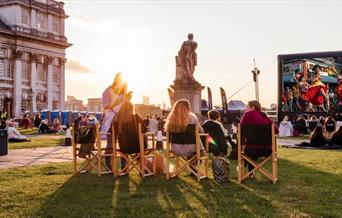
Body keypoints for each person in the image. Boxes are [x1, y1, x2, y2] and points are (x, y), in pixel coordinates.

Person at [240, 100, 278, 172]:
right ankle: (250, 172)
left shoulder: (247, 115)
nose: (246, 109)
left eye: (247, 107)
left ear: (253, 107)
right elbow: (276, 131)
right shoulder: (265, 116)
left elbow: (240, 131)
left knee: (248, 151)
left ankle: (245, 169)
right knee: (251, 152)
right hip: (267, 150)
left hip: (250, 149)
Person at [101, 73, 129, 168]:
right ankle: (108, 165)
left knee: (124, 143)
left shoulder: (124, 93)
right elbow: (105, 105)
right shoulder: (108, 91)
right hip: (111, 119)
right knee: (110, 144)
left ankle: (124, 166)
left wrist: (127, 99)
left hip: (124, 119)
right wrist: (117, 101)